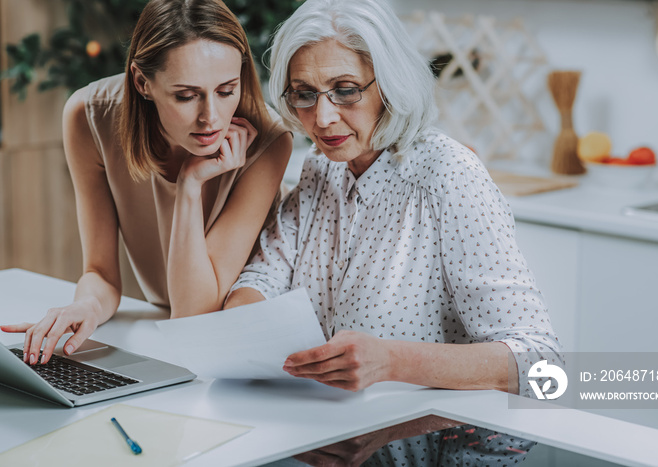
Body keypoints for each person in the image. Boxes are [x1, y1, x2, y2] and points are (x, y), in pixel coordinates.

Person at [225, 0, 561, 396]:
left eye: (345, 91)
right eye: (304, 94)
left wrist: (391, 361)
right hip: (331, 432)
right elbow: (264, 276)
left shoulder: (449, 175)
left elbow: (541, 360)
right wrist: (238, 329)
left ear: (390, 83)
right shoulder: (321, 166)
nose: (322, 118)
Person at [1, 0, 292, 365]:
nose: (211, 118)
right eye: (186, 95)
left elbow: (195, 317)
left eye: (226, 89)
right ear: (142, 82)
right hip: (165, 337)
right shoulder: (90, 117)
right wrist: (86, 305)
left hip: (238, 349)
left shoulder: (267, 140)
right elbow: (101, 273)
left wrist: (190, 186)